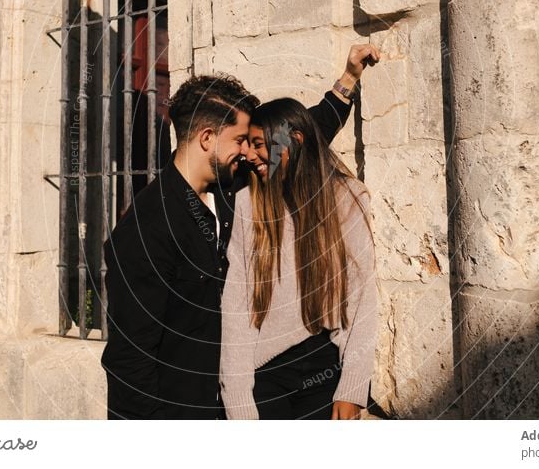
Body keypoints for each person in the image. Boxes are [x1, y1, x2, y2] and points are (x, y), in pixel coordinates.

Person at [101, 44, 380, 419]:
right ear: (206, 139)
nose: (248, 153)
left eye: (253, 145)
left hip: (239, 396)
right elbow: (129, 362)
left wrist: (347, 81)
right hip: (186, 410)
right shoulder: (145, 229)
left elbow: (299, 141)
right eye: (239, 141)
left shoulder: (236, 186)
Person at [220, 98, 376, 420]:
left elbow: (362, 299)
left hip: (325, 368)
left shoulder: (347, 199)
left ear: (295, 141)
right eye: (248, 144)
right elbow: (236, 309)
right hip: (265, 374)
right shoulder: (247, 206)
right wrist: (238, 401)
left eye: (258, 144)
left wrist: (353, 387)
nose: (249, 155)